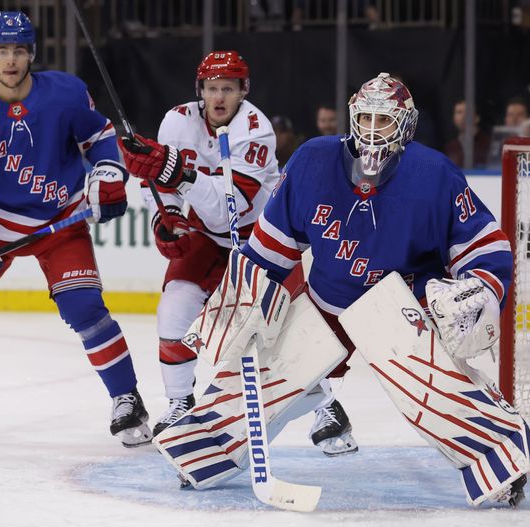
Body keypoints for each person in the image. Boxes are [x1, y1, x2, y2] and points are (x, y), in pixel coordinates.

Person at [239, 73, 525, 503]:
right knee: (256, 381)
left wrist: (480, 288)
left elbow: (486, 246)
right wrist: (247, 301)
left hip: (398, 305)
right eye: (366, 118)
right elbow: (270, 249)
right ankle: (200, 446)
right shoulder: (313, 160)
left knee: (432, 394)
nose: (373, 131)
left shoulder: (433, 173)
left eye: (384, 121)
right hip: (326, 302)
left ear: (406, 126)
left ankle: (502, 452)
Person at [0, 11, 153, 448]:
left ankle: (128, 399)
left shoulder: (66, 94)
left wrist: (109, 171)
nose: (11, 59)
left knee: (84, 308)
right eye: (2, 51)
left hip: (60, 222)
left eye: (19, 50)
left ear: (32, 53)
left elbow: (100, 137)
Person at [118, 51, 357, 455]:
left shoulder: (255, 127)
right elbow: (158, 184)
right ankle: (180, 403)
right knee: (174, 309)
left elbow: (230, 205)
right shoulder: (177, 120)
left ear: (244, 91)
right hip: (207, 238)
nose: (219, 97)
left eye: (228, 88)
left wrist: (175, 170)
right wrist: (169, 218)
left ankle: (329, 408)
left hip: (263, 236)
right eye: (211, 88)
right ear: (201, 91)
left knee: (288, 327)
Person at [443, 98, 490, 168]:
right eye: (459, 112)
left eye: (467, 112)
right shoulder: (449, 148)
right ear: (454, 118)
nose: (463, 116)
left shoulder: (489, 144)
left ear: (477, 117)